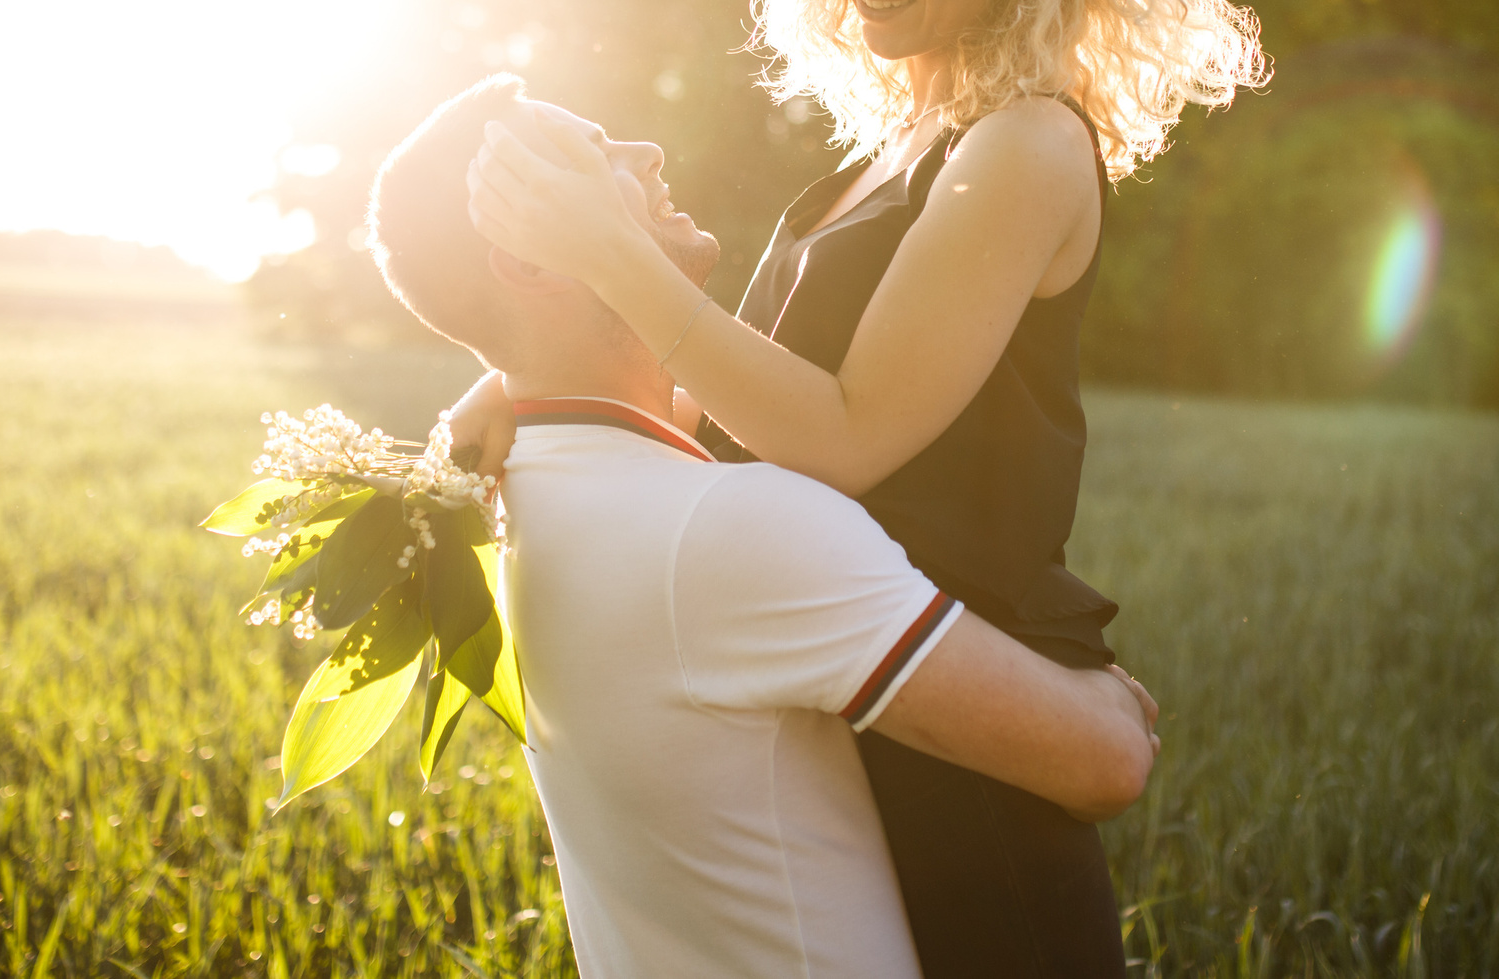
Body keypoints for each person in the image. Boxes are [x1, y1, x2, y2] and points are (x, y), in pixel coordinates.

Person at [457, 0, 1267, 975]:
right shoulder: (891, 147)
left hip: (970, 750)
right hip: (848, 696)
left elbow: (843, 438)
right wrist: (514, 396)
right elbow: (747, 417)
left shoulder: (1024, 147)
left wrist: (613, 254)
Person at [367, 74, 1160, 979]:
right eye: (597, 155)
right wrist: (1108, 699)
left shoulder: (518, 501)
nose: (647, 152)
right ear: (533, 255)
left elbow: (655, 389)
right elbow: (1107, 763)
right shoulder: (732, 531)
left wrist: (503, 382)